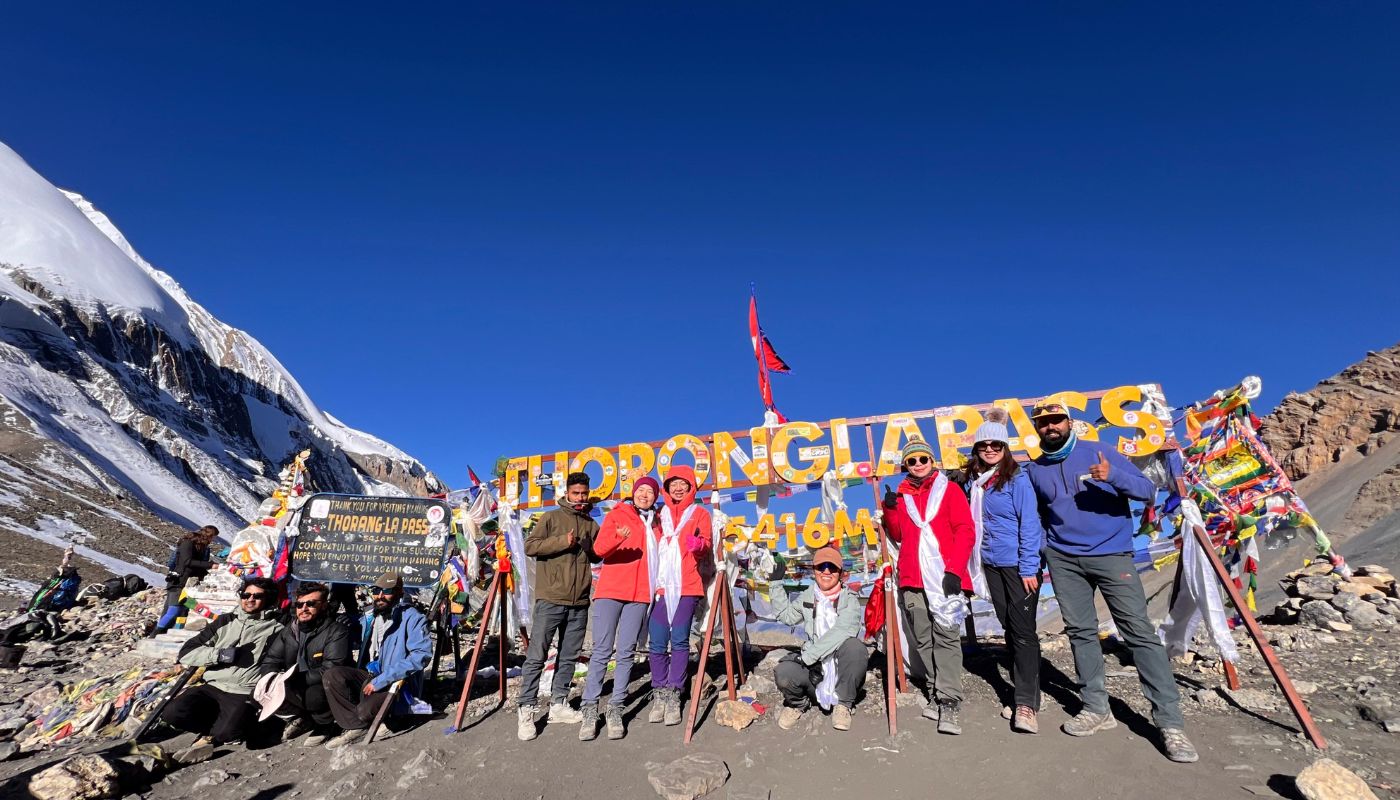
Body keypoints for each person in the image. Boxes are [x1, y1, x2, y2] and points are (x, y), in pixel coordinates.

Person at [1024, 401, 1197, 763]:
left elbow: (1147, 491)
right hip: (1064, 560)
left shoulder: (1100, 451)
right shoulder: (1035, 469)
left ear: (1069, 423)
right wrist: (1046, 548)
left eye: (1056, 421)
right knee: (1081, 632)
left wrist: (1112, 476)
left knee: (1138, 632)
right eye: (1043, 423)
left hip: (1112, 554)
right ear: (1037, 429)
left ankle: (1170, 722)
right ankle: (1096, 708)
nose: (1050, 427)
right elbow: (1039, 514)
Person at [880, 436, 975, 734]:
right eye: (912, 460)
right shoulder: (902, 494)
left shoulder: (949, 491)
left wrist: (955, 570)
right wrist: (891, 509)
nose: (919, 465)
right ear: (905, 465)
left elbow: (965, 529)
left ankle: (949, 701)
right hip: (912, 575)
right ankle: (935, 689)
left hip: (944, 574)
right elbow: (897, 534)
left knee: (946, 636)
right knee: (923, 637)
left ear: (932, 461)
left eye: (923, 459)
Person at [961, 408, 1044, 734]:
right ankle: (1028, 688)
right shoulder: (977, 483)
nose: (990, 449)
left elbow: (1030, 523)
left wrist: (1028, 566)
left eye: (996, 444)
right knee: (1010, 626)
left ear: (1005, 447)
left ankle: (1026, 704)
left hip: (1018, 565)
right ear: (977, 450)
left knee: (1023, 631)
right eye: (984, 446)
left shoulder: (1017, 478)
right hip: (991, 564)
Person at [517, 472, 601, 741]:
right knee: (537, 655)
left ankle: (558, 705)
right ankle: (526, 709)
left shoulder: (590, 522)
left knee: (569, 656)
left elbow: (598, 553)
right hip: (551, 597)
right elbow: (531, 546)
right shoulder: (551, 518)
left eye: (584, 494)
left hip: (579, 601)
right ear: (567, 492)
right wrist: (561, 542)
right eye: (576, 493)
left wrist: (593, 548)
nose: (580, 498)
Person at [160, 577, 282, 762]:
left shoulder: (279, 626)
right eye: (246, 594)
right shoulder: (226, 621)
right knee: (171, 713)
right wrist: (219, 655)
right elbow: (186, 653)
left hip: (244, 690)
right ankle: (214, 731)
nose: (250, 599)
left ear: (269, 599)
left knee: (228, 733)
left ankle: (220, 731)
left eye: (258, 596)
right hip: (213, 685)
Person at [578, 476, 662, 741]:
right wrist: (617, 537)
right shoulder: (617, 514)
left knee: (626, 653)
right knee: (601, 651)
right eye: (641, 490)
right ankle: (590, 709)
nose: (645, 495)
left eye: (650, 491)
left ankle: (616, 709)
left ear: (655, 497)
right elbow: (600, 550)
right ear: (634, 493)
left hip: (640, 595)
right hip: (611, 592)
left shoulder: (657, 524)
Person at [320, 571, 431, 748]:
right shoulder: (374, 617)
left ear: (399, 594)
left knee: (365, 710)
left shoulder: (413, 618)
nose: (380, 596)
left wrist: (382, 680)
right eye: (376, 590)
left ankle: (385, 719)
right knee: (332, 676)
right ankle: (357, 726)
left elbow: (420, 656)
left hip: (399, 684)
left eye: (387, 591)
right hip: (374, 675)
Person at [769, 545, 867, 732]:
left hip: (838, 668)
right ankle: (799, 704)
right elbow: (786, 616)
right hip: (815, 672)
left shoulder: (850, 599)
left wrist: (808, 657)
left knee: (855, 648)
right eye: (821, 567)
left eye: (832, 567)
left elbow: (844, 630)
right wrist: (775, 584)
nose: (826, 571)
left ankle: (844, 704)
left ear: (840, 572)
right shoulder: (808, 596)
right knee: (784, 672)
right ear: (814, 571)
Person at [647, 465, 712, 726]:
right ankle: (659, 690)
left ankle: (675, 691)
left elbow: (706, 543)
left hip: (687, 585)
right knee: (658, 640)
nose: (677, 487)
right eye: (672, 483)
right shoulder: (659, 515)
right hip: (662, 586)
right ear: (666, 487)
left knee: (680, 640)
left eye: (683, 483)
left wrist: (699, 546)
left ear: (691, 486)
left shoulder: (699, 514)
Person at [258, 582, 353, 747]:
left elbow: (331, 668)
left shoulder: (336, 630)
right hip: (294, 680)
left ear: (323, 605)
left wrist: (295, 680)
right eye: (299, 604)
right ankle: (302, 718)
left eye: (311, 604)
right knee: (257, 694)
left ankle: (325, 724)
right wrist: (272, 679)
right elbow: (271, 659)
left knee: (313, 697)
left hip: (322, 684)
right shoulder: (291, 630)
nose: (304, 609)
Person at [153, 526, 218, 636]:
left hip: (190, 584)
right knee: (173, 610)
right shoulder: (187, 543)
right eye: (213, 537)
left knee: (183, 610)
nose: (213, 541)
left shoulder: (204, 548)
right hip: (179, 581)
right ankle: (155, 634)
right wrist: (210, 565)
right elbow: (187, 561)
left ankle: (173, 633)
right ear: (209, 535)